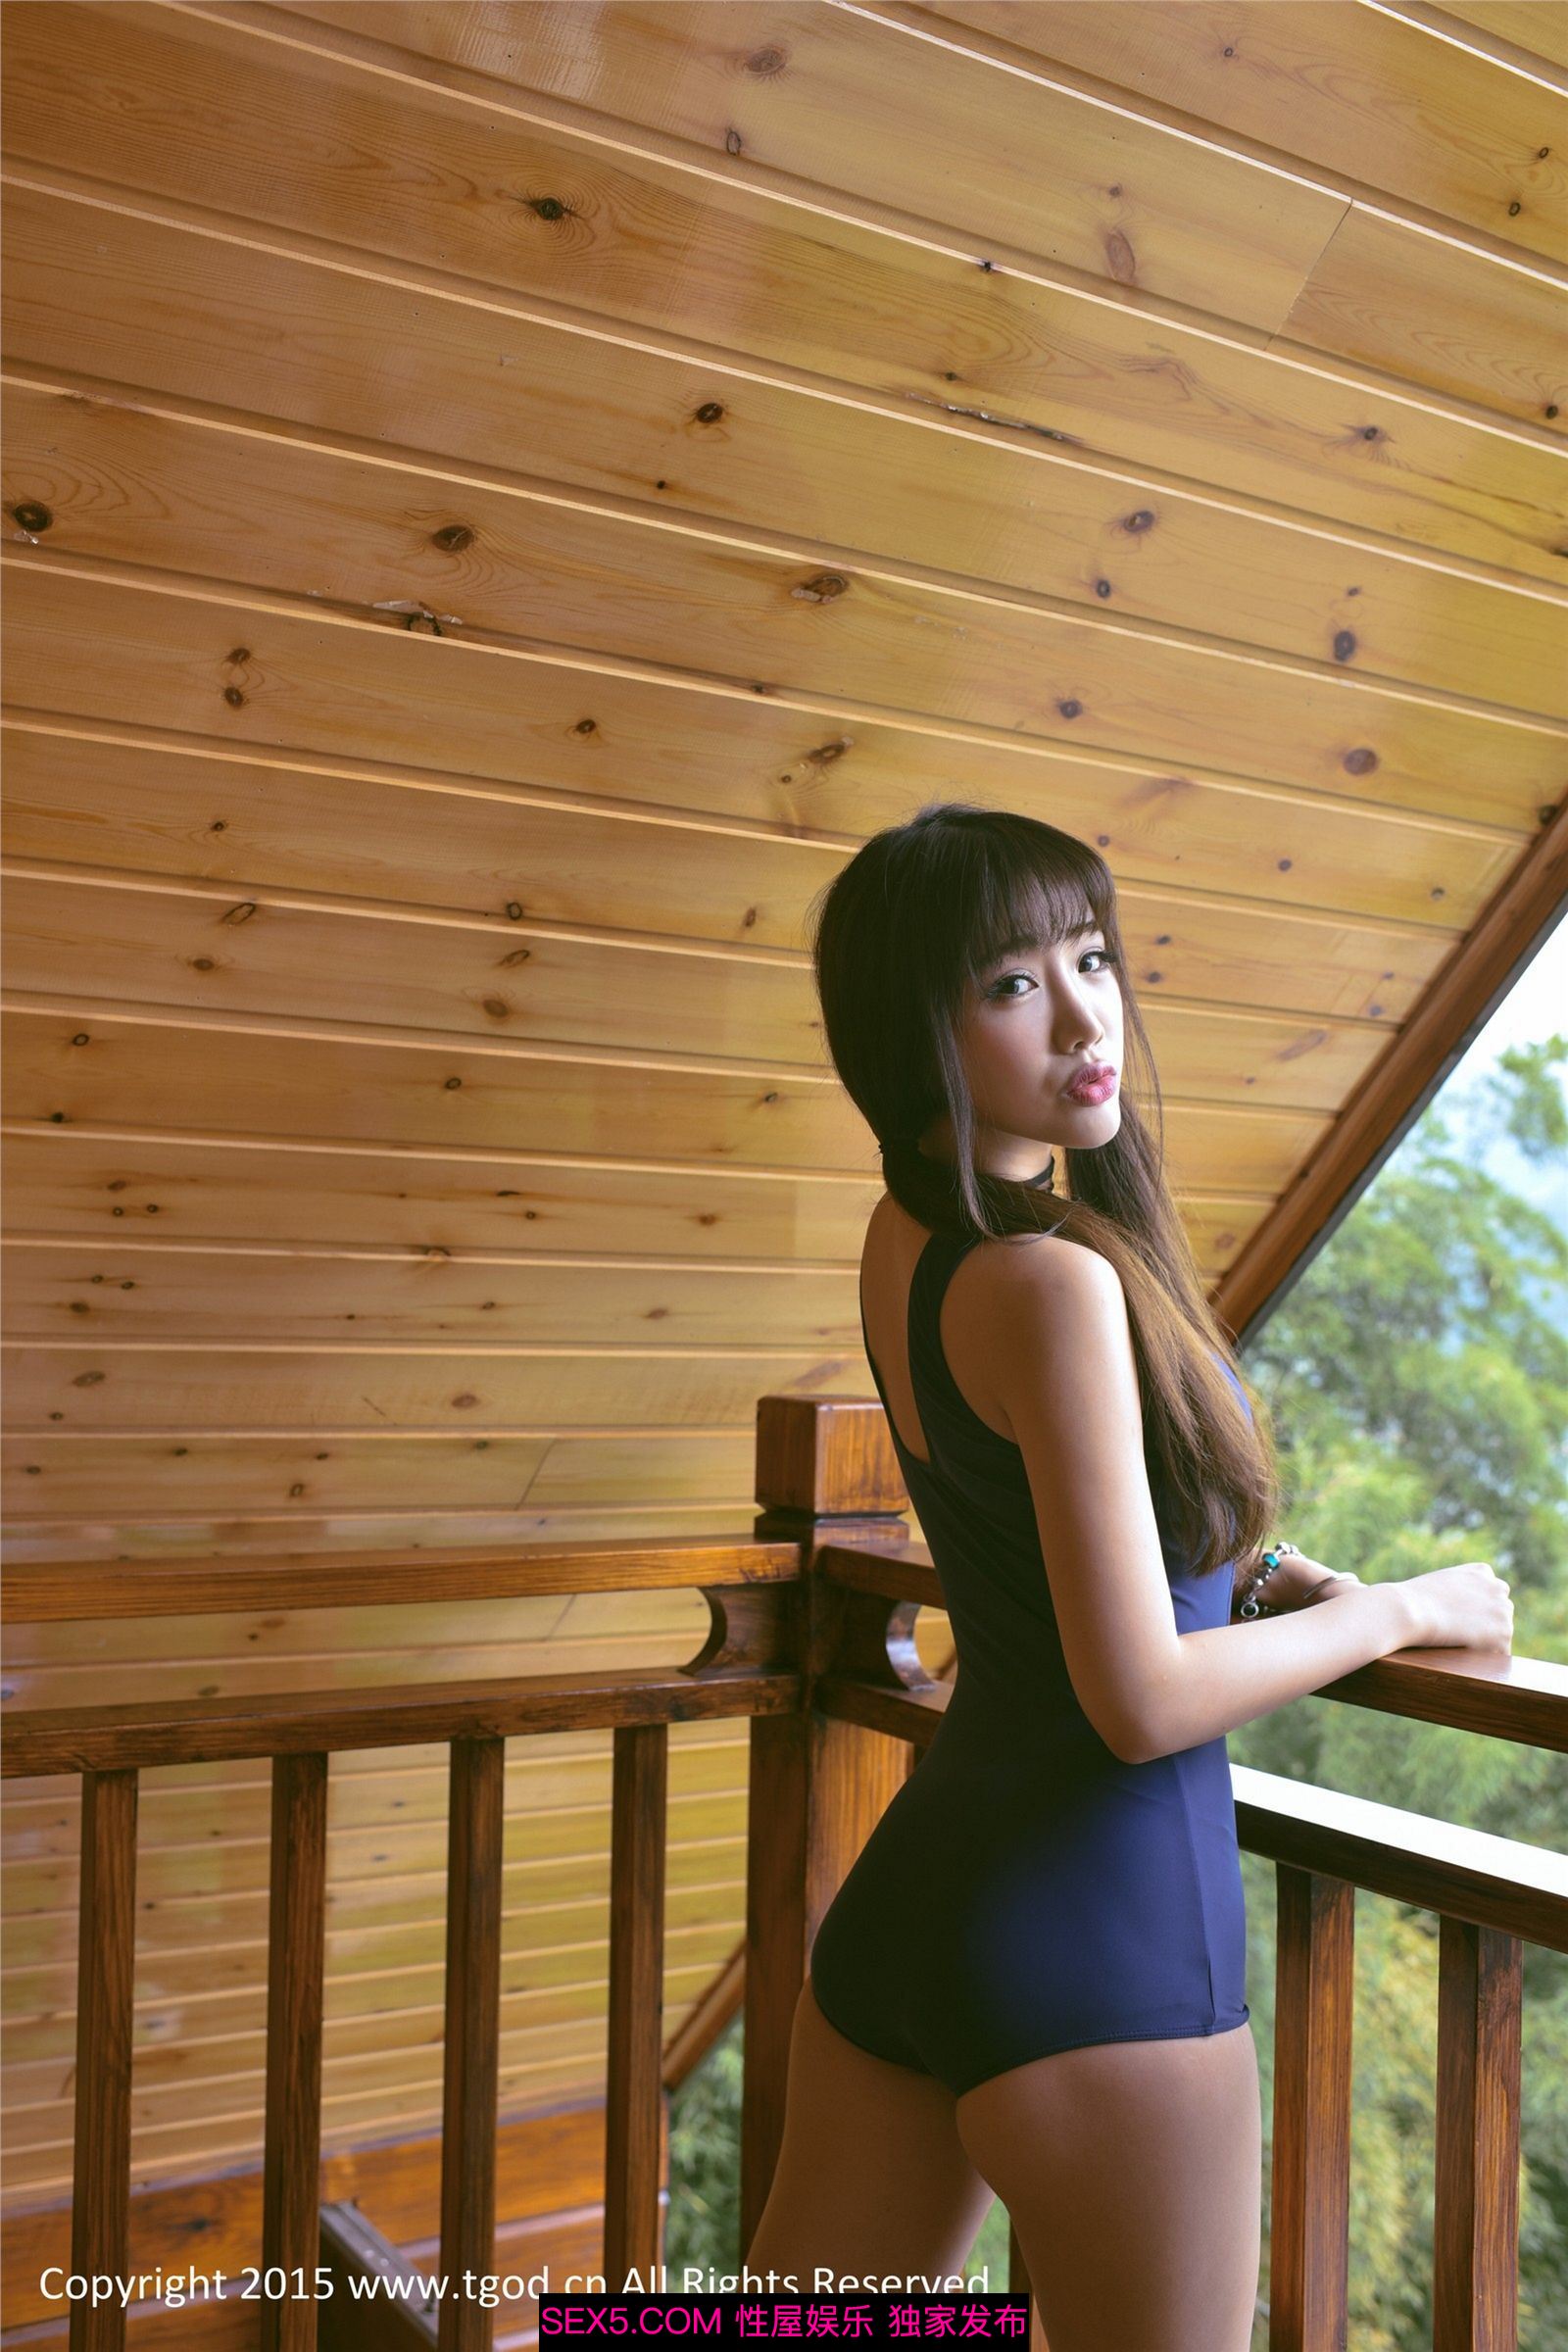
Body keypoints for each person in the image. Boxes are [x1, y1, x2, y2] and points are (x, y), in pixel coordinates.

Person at [744, 802, 1512, 2351]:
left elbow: (1042, 1518)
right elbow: (1141, 1698)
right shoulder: (1051, 1283)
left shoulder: (911, 1233)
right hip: (1104, 1945)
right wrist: (1407, 1609)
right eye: (1011, 984)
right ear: (913, 1031)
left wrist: (1256, 1567)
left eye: (1091, 959)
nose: (1087, 1019)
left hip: (914, 1917)